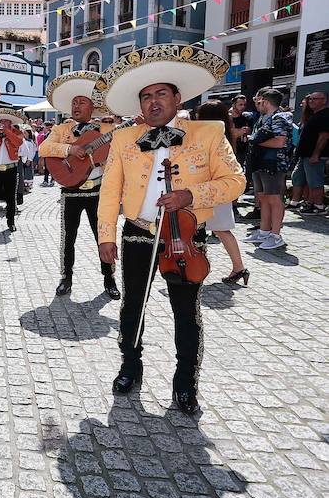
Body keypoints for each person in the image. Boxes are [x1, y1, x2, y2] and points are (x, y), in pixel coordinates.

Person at [94, 45, 245, 414]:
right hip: (137, 232)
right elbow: (110, 188)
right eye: (145, 96)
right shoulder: (123, 138)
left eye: (161, 93)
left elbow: (235, 181)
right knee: (132, 307)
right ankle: (130, 366)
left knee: (185, 311)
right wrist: (106, 235)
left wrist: (191, 194)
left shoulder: (207, 134)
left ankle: (185, 382)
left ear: (178, 97)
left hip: (184, 237)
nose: (153, 102)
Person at [39, 71, 121, 300]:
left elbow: (118, 149)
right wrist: (69, 150)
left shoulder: (105, 129)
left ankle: (109, 278)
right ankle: (66, 278)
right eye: (74, 102)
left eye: (81, 102)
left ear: (91, 107)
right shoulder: (61, 129)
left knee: (103, 236)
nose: (76, 106)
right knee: (68, 238)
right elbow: (43, 149)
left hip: (98, 191)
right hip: (70, 190)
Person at [195, 100, 248, 285]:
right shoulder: (222, 134)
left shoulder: (213, 137)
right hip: (217, 189)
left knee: (219, 230)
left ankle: (238, 267)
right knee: (220, 230)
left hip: (213, 189)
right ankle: (238, 267)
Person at [242, 88, 293, 250]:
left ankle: (276, 235)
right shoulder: (264, 117)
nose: (256, 103)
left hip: (274, 164)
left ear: (265, 101)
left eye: (258, 100)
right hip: (261, 163)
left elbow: (280, 142)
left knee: (274, 198)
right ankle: (264, 231)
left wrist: (254, 141)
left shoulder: (280, 118)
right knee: (263, 197)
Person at [0, 108, 26, 232]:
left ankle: (11, 222)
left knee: (10, 197)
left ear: (10, 123)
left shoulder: (16, 132)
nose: (1, 123)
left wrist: (6, 131)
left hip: (10, 169)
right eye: (0, 121)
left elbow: (18, 143)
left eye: (4, 121)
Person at [289, 91, 328, 215]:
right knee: (297, 178)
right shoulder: (314, 115)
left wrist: (316, 154)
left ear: (324, 101)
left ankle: (318, 206)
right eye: (310, 99)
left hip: (314, 156)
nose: (311, 101)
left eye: (315, 99)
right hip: (304, 155)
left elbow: (324, 136)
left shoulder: (325, 115)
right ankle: (301, 202)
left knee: (315, 181)